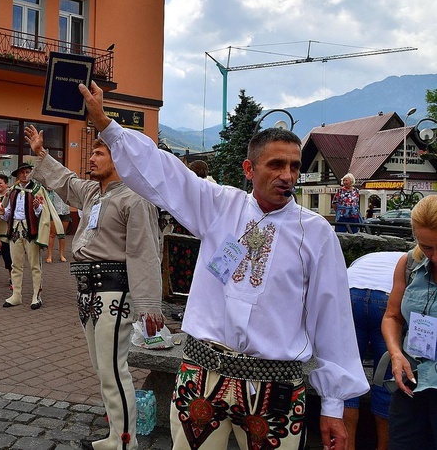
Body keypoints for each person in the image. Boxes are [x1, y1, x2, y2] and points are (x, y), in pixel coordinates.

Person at [79, 81, 369, 450]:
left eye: (295, 166)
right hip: (203, 375)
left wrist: (332, 404)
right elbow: (165, 172)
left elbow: (333, 321)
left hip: (275, 387)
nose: (288, 175)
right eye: (276, 164)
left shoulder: (316, 234)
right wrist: (106, 123)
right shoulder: (219, 206)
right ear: (249, 168)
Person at [26, 124, 163, 450]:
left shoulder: (135, 199)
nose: (91, 158)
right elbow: (65, 182)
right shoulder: (93, 192)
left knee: (115, 371)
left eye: (98, 153)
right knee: (105, 370)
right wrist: (42, 155)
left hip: (114, 291)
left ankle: (125, 443)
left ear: (119, 159)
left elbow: (144, 253)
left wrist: (148, 306)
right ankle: (116, 436)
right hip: (88, 290)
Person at [382, 195, 437, 449]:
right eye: (427, 247)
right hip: (411, 382)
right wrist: (395, 353)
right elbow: (392, 317)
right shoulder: (409, 263)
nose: (435, 256)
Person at [343, 251, 404, 450]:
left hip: (350, 293)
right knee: (387, 379)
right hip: (386, 297)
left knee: (347, 378)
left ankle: (347, 445)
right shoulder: (411, 260)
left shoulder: (365, 259)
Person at [0, 162, 62, 310]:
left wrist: (37, 207)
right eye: (23, 172)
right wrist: (2, 213)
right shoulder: (11, 191)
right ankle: (16, 295)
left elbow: (43, 214)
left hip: (31, 231)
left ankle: (36, 296)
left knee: (35, 265)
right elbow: (8, 212)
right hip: (14, 232)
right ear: (18, 175)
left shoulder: (38, 189)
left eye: (28, 172)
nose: (25, 175)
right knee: (15, 265)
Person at [0, 174, 13, 284]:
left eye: (1, 183)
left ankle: (11, 277)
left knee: (8, 255)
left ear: (6, 184)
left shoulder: (10, 196)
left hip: (6, 230)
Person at [46, 190, 70, 263]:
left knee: (62, 234)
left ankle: (61, 255)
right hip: (54, 210)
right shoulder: (53, 183)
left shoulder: (67, 185)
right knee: (52, 234)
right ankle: (49, 256)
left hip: (65, 211)